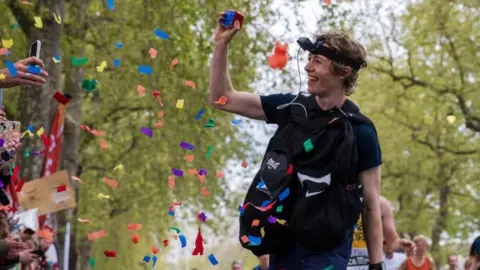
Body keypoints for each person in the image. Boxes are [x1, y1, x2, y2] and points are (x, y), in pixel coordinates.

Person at [209, 12, 383, 270]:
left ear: (344, 72)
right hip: (284, 244)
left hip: (328, 250)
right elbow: (222, 98)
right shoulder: (291, 107)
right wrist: (221, 45)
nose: (307, 67)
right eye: (309, 59)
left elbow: (371, 205)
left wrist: (376, 264)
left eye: (318, 61)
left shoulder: (361, 130)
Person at [349, 196, 415, 269]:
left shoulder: (381, 204)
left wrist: (400, 244)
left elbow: (392, 241)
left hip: (371, 262)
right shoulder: (338, 197)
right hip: (340, 260)